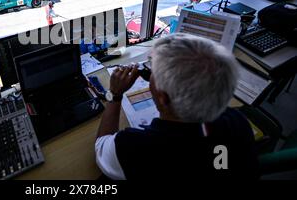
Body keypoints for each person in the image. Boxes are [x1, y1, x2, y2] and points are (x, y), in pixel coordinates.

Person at [95, 33, 258, 180]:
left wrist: (115, 95)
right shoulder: (237, 122)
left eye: (154, 72)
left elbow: (101, 148)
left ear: (163, 98)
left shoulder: (135, 147)